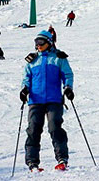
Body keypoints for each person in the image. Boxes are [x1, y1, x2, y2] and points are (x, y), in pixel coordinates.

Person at [20, 30, 74, 171]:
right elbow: (26, 78)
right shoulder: (32, 60)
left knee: (55, 127)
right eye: (36, 42)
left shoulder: (58, 58)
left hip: (53, 99)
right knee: (33, 130)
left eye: (41, 42)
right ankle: (32, 163)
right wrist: (24, 89)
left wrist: (68, 87)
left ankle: (62, 159)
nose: (38, 45)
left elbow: (67, 75)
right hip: (35, 100)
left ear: (49, 43)